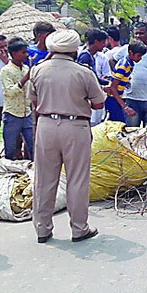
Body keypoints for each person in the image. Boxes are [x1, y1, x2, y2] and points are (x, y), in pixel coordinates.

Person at [29, 30, 106, 243]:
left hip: (46, 124)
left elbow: (34, 100)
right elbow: (98, 103)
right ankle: (79, 228)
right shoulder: (83, 72)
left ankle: (42, 229)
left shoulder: (38, 71)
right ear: (74, 49)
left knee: (44, 179)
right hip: (75, 126)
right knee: (77, 178)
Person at [0, 38, 35, 161]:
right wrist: (25, 78)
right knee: (10, 148)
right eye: (23, 52)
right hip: (12, 114)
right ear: (14, 54)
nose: (26, 55)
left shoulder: (26, 69)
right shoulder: (6, 71)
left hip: (27, 113)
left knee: (32, 146)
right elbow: (10, 92)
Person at [109, 40, 147, 125]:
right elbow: (113, 87)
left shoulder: (129, 63)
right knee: (118, 125)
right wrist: (125, 107)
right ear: (131, 53)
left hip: (117, 97)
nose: (140, 58)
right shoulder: (124, 66)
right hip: (113, 98)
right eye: (138, 56)